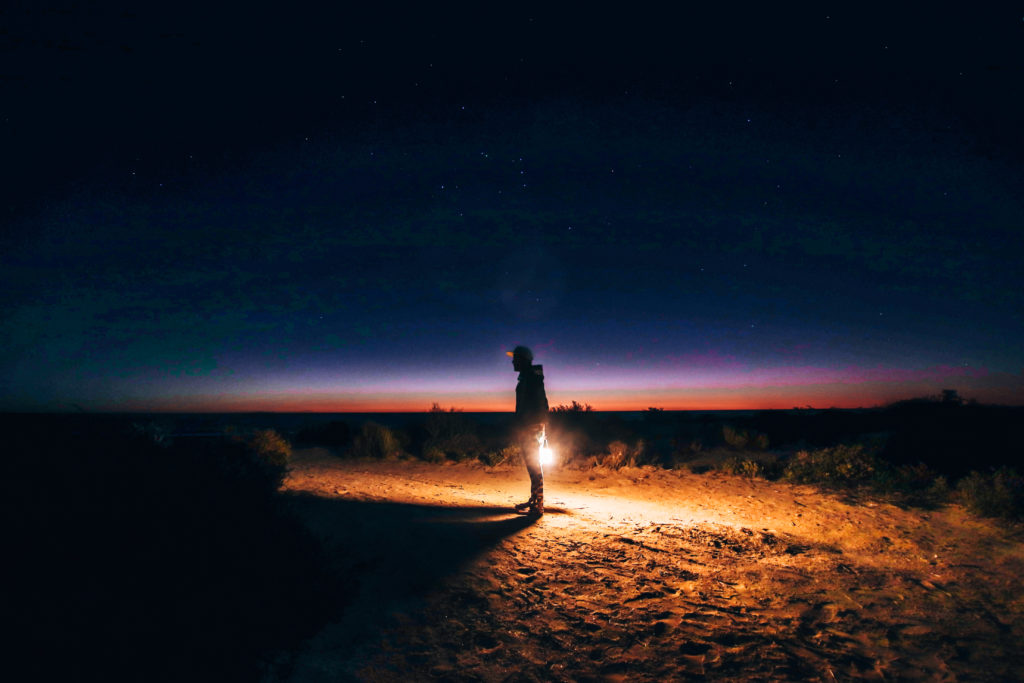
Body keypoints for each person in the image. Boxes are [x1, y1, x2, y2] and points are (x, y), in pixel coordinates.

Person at [507, 345, 549, 517]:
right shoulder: (527, 377)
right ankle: (535, 499)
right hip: (530, 425)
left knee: (533, 463)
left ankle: (538, 505)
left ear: (523, 360)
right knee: (532, 463)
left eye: (515, 358)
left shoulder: (531, 378)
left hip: (531, 426)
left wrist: (537, 425)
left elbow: (540, 402)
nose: (512, 362)